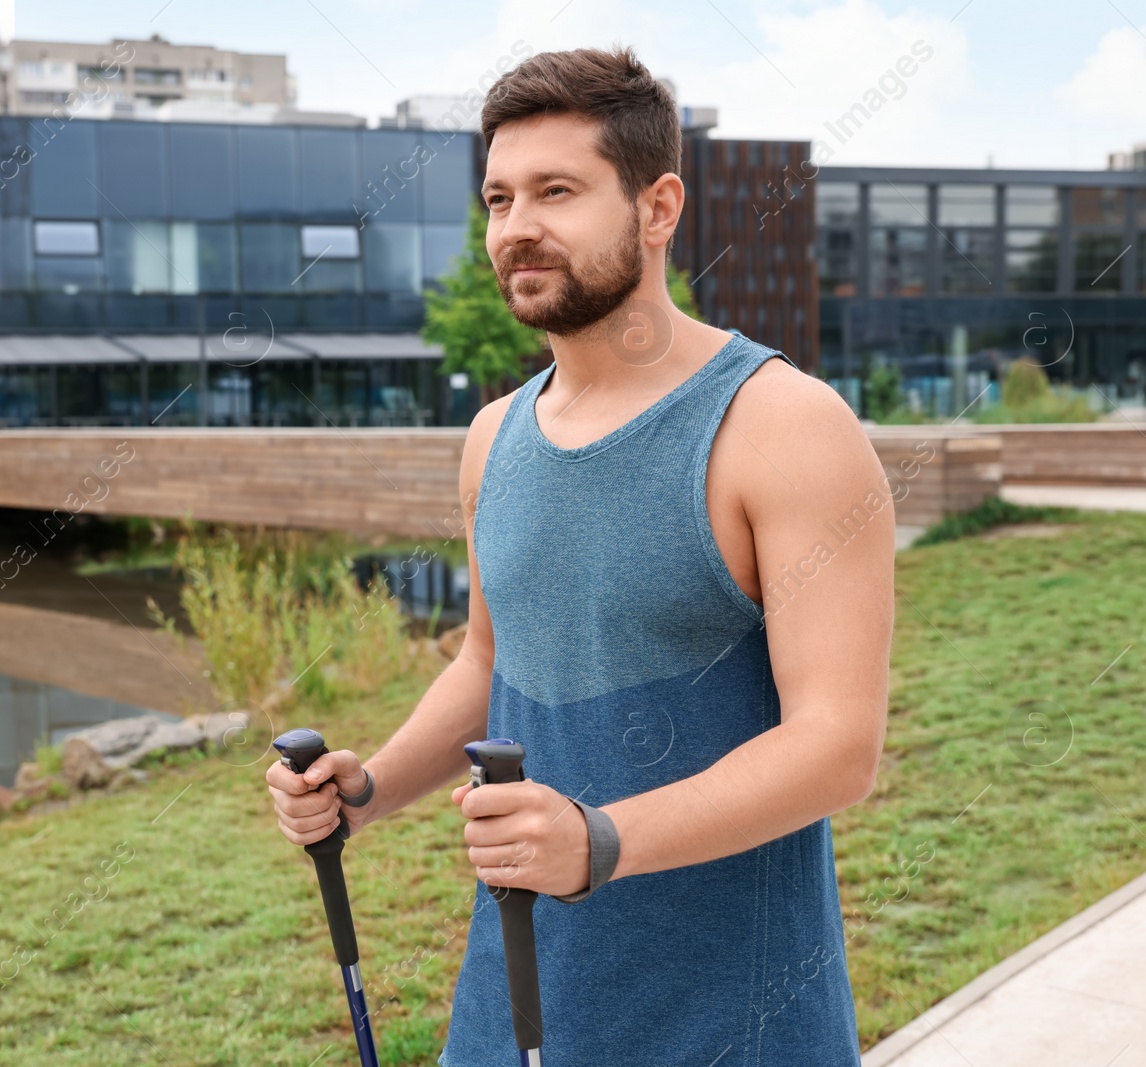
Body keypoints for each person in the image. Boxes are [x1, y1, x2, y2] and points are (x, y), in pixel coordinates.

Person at [266, 44, 894, 1067]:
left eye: (557, 190)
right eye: (499, 197)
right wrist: (365, 788)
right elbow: (487, 662)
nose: (517, 227)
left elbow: (837, 744)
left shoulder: (783, 425)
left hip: (734, 1026)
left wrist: (597, 839)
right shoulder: (493, 437)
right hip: (513, 1006)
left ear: (657, 207)